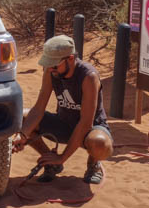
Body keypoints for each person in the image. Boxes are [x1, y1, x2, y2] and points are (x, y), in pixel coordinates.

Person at [13, 35, 113, 184]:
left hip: (89, 130)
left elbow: (86, 122)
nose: (51, 69)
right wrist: (23, 134)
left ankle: (93, 164)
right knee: (22, 118)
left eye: (54, 65)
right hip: (64, 124)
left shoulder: (88, 77)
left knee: (100, 144)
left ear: (71, 59)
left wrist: (62, 157)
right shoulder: (51, 71)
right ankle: (52, 164)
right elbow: (39, 108)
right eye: (48, 64)